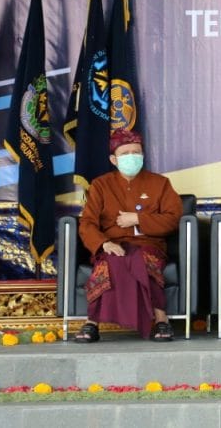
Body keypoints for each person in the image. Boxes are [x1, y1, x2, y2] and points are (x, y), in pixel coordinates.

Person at [74, 129, 184, 342]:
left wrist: (138, 219)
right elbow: (87, 223)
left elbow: (173, 218)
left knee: (142, 260)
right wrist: (104, 244)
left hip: (148, 245)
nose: (132, 157)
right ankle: (92, 322)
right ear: (113, 160)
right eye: (125, 154)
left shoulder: (160, 183)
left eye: (136, 152)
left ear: (143, 156)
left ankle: (161, 319)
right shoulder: (100, 185)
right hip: (112, 244)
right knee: (111, 261)